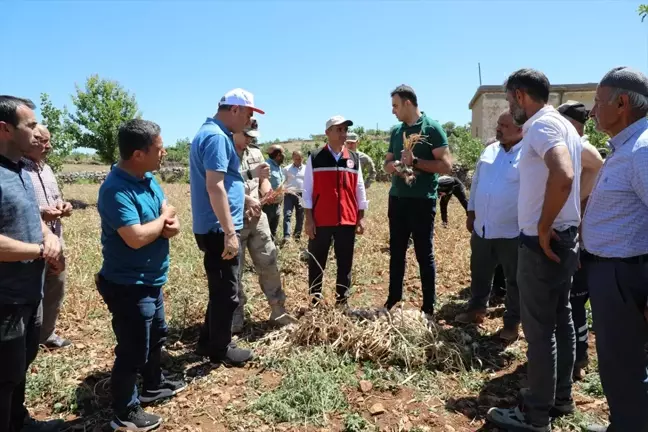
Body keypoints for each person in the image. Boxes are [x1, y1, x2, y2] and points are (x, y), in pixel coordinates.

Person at [487, 69, 581, 432]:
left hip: (543, 243)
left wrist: (543, 227)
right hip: (564, 237)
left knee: (540, 331)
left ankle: (536, 415)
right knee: (561, 318)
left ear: (522, 95)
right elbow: (587, 166)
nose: (511, 108)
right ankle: (560, 399)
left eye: (511, 100)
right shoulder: (565, 127)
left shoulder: (541, 127)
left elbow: (565, 174)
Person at [96, 119, 186, 431]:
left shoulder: (146, 177)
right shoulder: (115, 189)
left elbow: (166, 208)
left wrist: (166, 223)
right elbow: (134, 236)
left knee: (156, 335)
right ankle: (125, 412)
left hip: (151, 279)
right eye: (159, 149)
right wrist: (163, 222)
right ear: (138, 153)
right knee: (133, 349)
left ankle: (153, 385)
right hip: (128, 284)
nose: (164, 154)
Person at [581, 66, 648, 432]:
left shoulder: (641, 150)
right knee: (619, 362)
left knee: (624, 364)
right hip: (615, 273)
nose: (592, 111)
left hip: (626, 274)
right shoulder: (626, 147)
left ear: (622, 103)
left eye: (597, 102)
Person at [0, 96, 65, 432]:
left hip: (28, 291)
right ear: (5, 129)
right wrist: (38, 250)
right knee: (4, 375)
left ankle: (19, 422)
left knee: (21, 364)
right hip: (5, 300)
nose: (38, 132)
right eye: (29, 125)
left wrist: (48, 236)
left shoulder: (20, 169)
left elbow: (28, 213)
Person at [191, 88, 263, 366]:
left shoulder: (210, 132)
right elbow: (215, 185)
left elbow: (224, 181)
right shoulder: (217, 137)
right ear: (234, 109)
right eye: (247, 113)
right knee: (227, 292)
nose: (249, 120)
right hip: (219, 228)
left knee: (219, 288)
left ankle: (206, 340)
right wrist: (230, 233)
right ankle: (220, 349)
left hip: (214, 225)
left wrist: (242, 197)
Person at [383, 85, 452, 320]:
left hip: (423, 201)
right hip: (398, 199)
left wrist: (415, 162)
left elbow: (445, 166)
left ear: (408, 103)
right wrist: (395, 168)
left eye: (395, 105)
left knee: (424, 253)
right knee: (397, 252)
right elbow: (387, 163)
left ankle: (429, 305)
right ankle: (393, 298)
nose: (392, 110)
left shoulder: (432, 128)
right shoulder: (396, 132)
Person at [455, 111, 523, 342]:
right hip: (483, 228)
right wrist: (471, 212)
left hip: (512, 231)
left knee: (514, 280)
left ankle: (512, 322)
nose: (499, 128)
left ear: (520, 129)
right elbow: (476, 184)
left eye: (504, 125)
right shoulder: (489, 151)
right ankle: (476, 309)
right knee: (480, 271)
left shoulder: (529, 155)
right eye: (498, 124)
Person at [231, 121, 296, 332]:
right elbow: (222, 184)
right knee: (235, 270)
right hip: (233, 219)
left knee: (269, 261)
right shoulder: (224, 152)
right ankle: (235, 316)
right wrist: (247, 200)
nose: (250, 139)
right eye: (246, 134)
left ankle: (278, 311)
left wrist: (267, 192)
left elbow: (263, 181)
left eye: (253, 135)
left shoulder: (255, 154)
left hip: (257, 217)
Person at [557, 100, 604, 381]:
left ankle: (579, 357)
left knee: (574, 304)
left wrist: (583, 200)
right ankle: (572, 355)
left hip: (579, 240)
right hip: (576, 238)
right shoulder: (574, 151)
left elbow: (598, 164)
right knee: (569, 304)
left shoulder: (580, 149)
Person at [303, 115, 368, 306]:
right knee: (317, 262)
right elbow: (307, 190)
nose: (343, 134)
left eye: (345, 130)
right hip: (321, 220)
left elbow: (360, 188)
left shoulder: (353, 158)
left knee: (345, 263)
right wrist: (309, 219)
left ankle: (342, 302)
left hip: (347, 219)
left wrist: (361, 216)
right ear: (327, 133)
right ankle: (314, 301)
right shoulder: (315, 157)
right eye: (338, 130)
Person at [22, 124, 72, 349]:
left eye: (48, 141)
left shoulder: (47, 169)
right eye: (42, 141)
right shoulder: (15, 170)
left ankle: (46, 335)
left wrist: (63, 205)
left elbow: (55, 197)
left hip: (55, 238)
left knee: (55, 286)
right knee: (32, 291)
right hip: (30, 242)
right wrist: (42, 212)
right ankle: (26, 339)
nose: (48, 146)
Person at [263, 144, 285, 241]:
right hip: (268, 206)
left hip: (277, 205)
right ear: (278, 155)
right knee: (265, 232)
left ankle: (272, 249)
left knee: (273, 231)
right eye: (283, 154)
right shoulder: (266, 166)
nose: (284, 156)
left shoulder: (278, 167)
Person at [282, 150, 305, 242]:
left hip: (302, 194)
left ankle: (297, 236)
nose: (298, 161)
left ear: (302, 158)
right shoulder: (287, 169)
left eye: (300, 159)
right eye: (296, 159)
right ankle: (287, 236)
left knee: (300, 216)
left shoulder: (306, 169)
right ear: (292, 158)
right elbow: (282, 182)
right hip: (289, 194)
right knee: (287, 214)